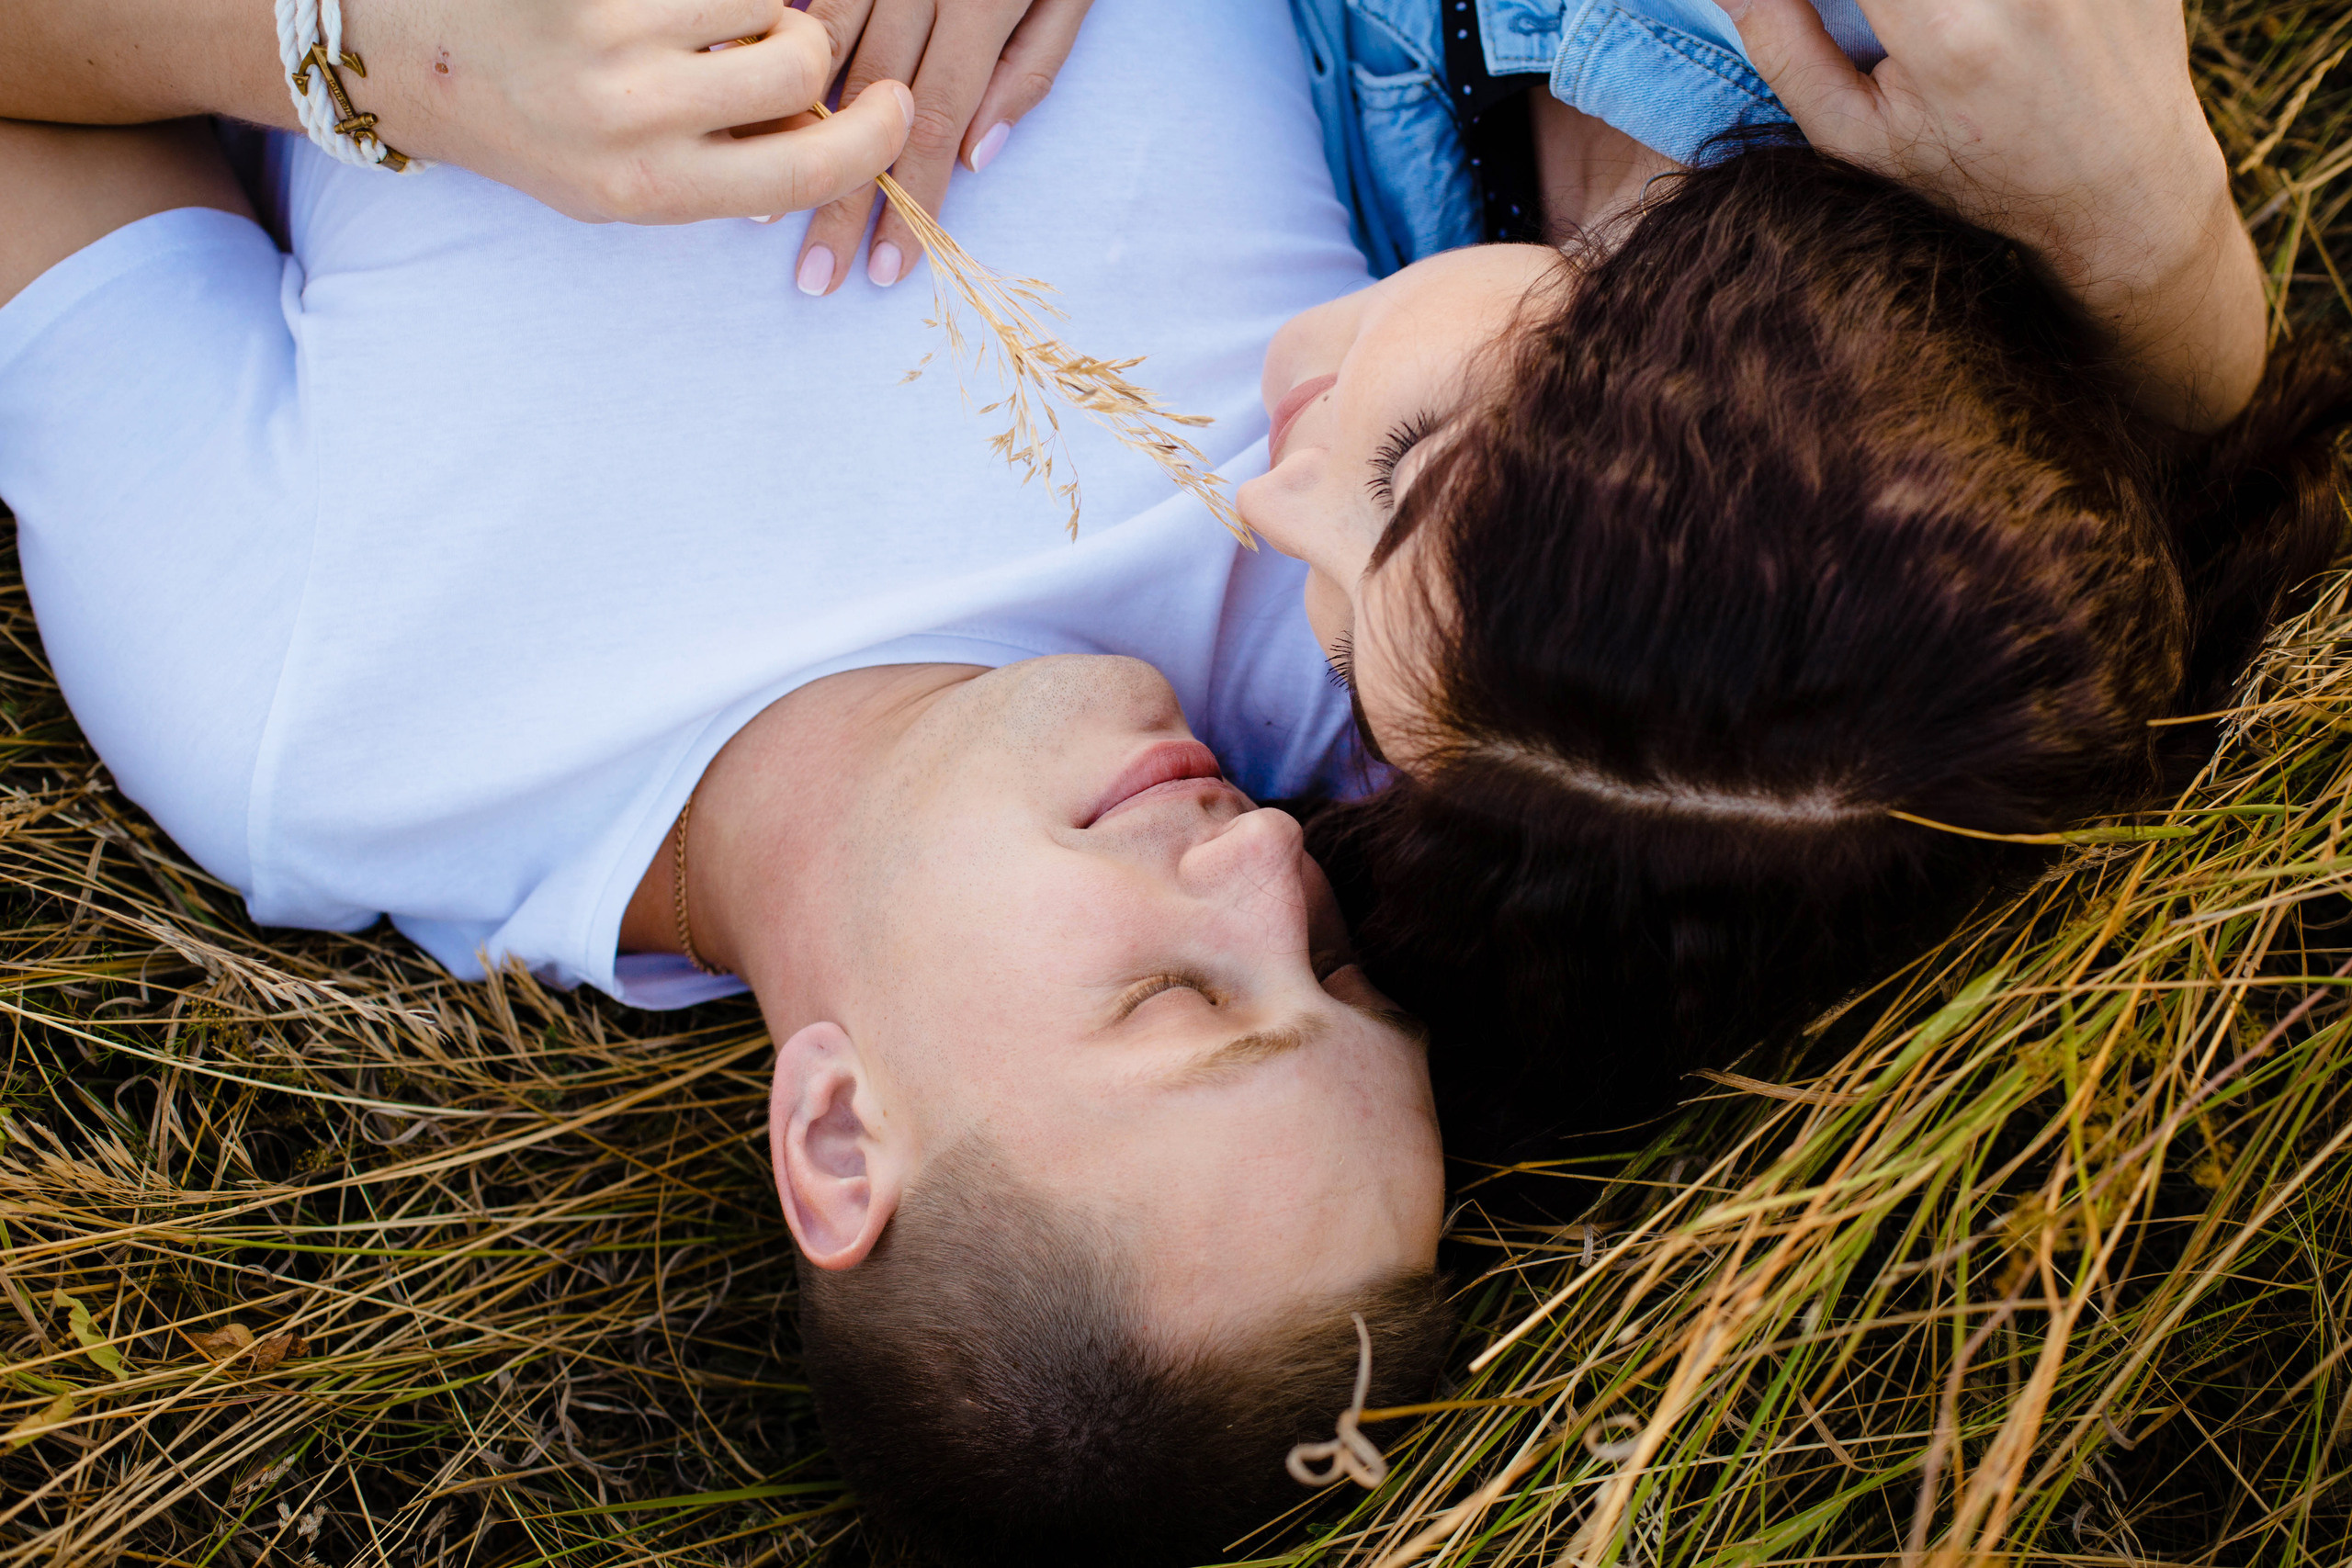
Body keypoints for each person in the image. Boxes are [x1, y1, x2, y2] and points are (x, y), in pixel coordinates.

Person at [0, 5, 1456, 1562]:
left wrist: (362, 46)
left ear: (837, 1133)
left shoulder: (320, 725)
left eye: (1174, 999)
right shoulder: (1358, 621)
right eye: (1332, 964)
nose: (1266, 867)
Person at [1232, 0, 2352, 1153]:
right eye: (1407, 464)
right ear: (1691, 344)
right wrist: (2166, 268)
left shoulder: (1439, 254)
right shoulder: (1910, 39)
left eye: (1345, 657)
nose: (1267, 506)